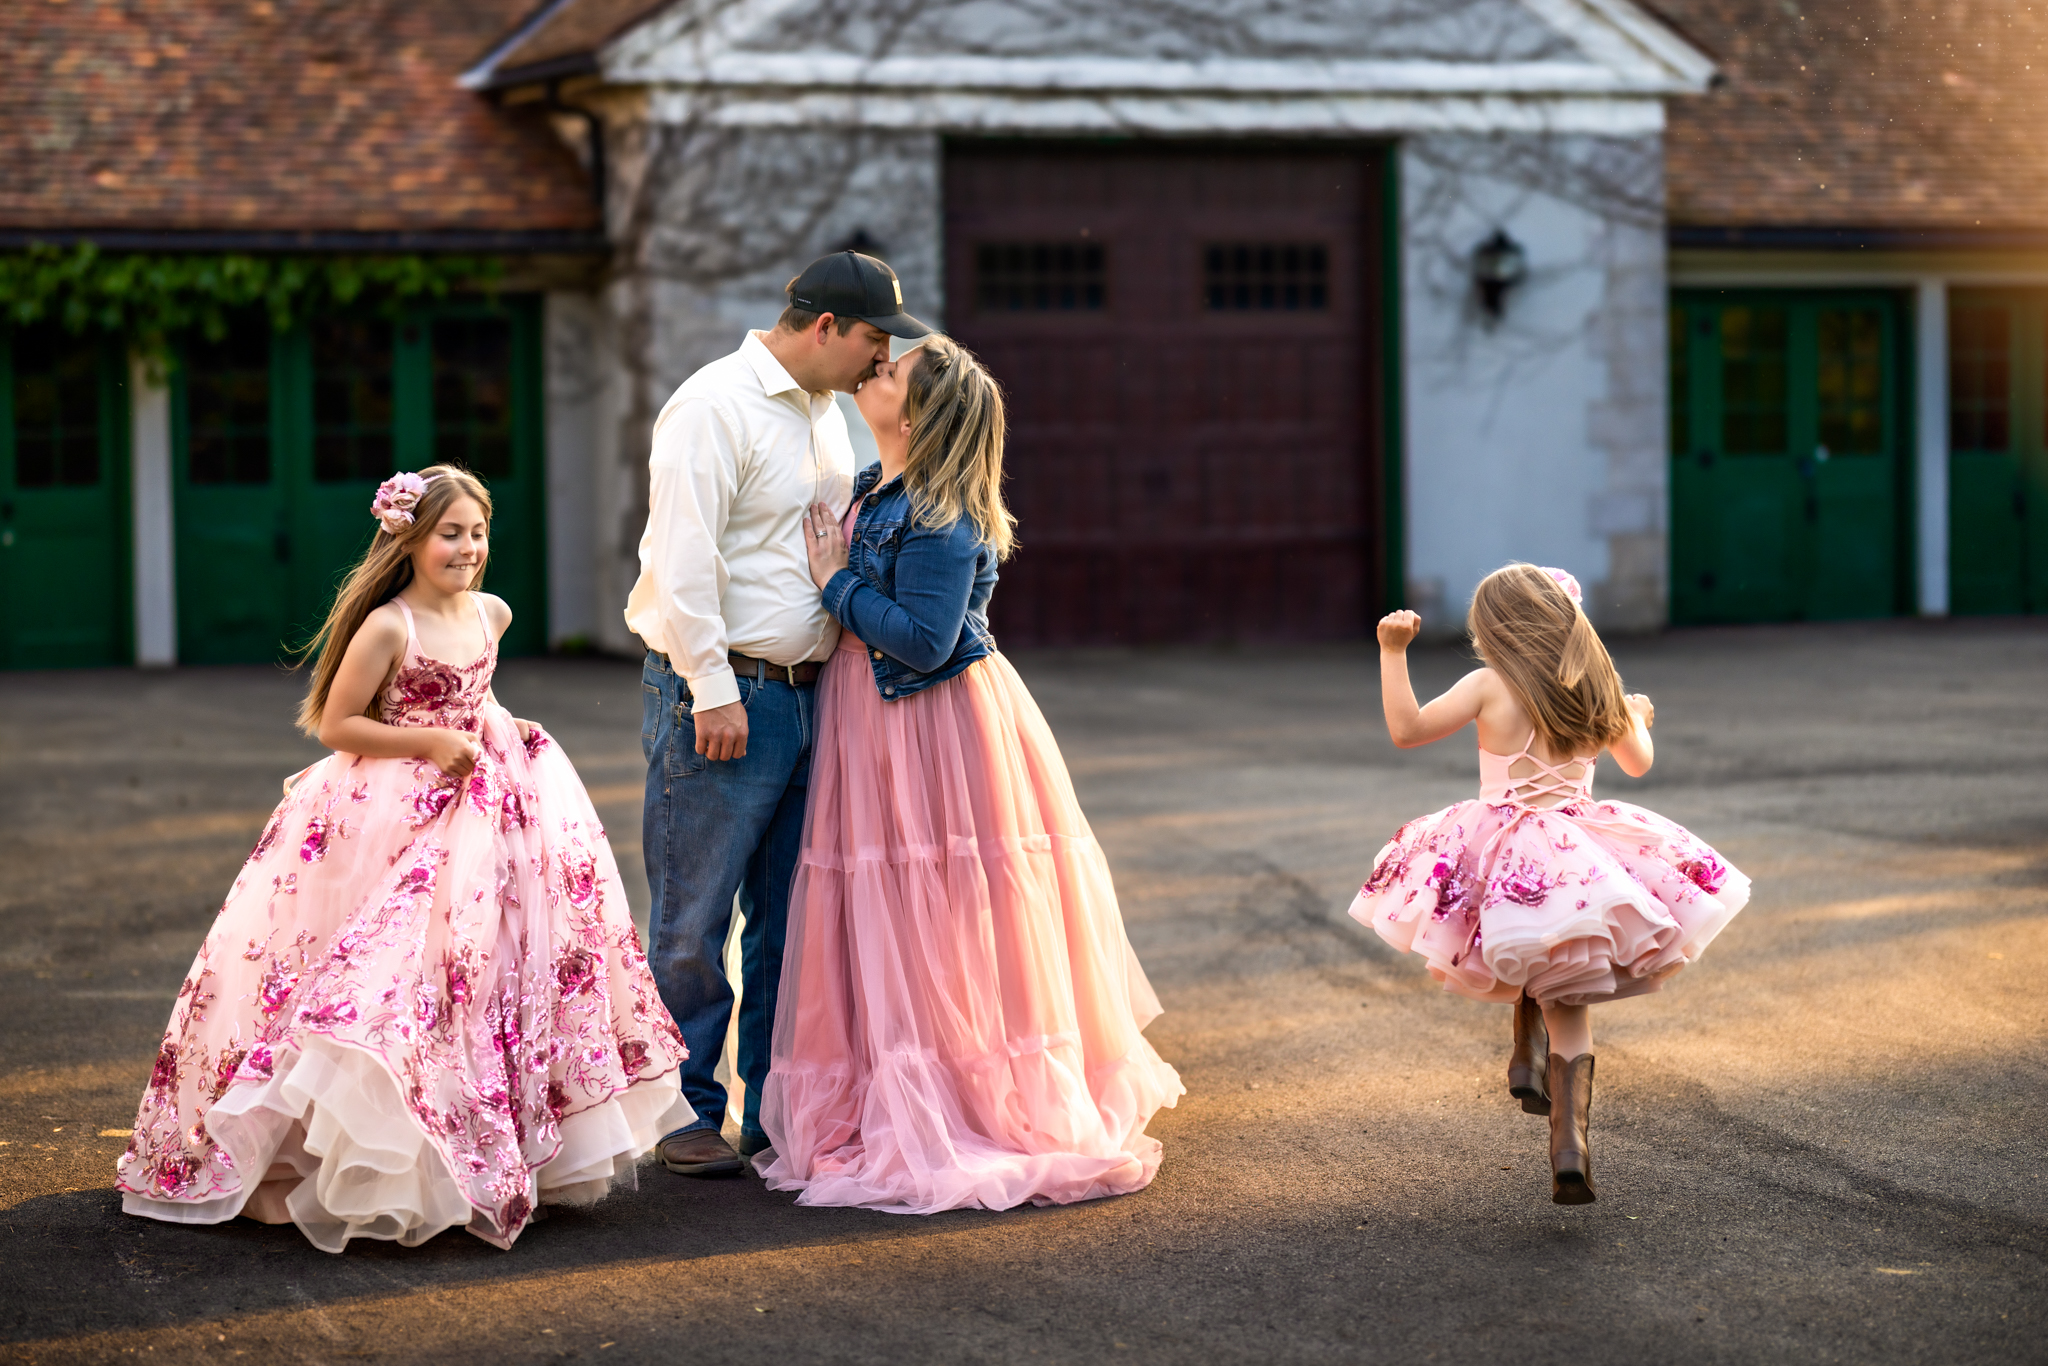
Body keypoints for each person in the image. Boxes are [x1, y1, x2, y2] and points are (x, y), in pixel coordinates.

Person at [117, 465, 690, 1252]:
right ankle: (311, 1156)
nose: (467, 548)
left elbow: (475, 695)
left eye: (478, 533)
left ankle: (458, 1155)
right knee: (374, 976)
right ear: (410, 539)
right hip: (389, 813)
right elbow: (337, 723)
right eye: (450, 534)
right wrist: (426, 740)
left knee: (471, 973)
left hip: (484, 811)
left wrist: (502, 726)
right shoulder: (389, 625)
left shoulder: (493, 613)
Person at [755, 334, 1185, 1213]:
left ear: (915, 415)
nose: (875, 370)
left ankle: (965, 1101)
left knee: (937, 910)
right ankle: (890, 1087)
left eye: (891, 371)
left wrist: (835, 583)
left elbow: (926, 640)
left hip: (929, 724)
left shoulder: (941, 514)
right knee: (890, 910)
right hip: (870, 719)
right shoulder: (876, 488)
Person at [628, 250, 931, 1176]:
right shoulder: (713, 405)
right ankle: (682, 1109)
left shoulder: (826, 416)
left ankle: (769, 1109)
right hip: (727, 697)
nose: (882, 365)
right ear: (826, 327)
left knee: (788, 920)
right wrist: (712, 686)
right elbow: (681, 559)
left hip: (809, 699)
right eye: (875, 343)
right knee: (693, 915)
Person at [1353, 564, 1750, 1205]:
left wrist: (1391, 652)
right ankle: (1570, 1145)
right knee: (1565, 976)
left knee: (1512, 936)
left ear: (1496, 629)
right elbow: (1638, 763)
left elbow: (1407, 729)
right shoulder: (1600, 689)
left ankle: (1524, 1057)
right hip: (1577, 849)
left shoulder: (1488, 685)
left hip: (1499, 845)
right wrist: (1638, 716)